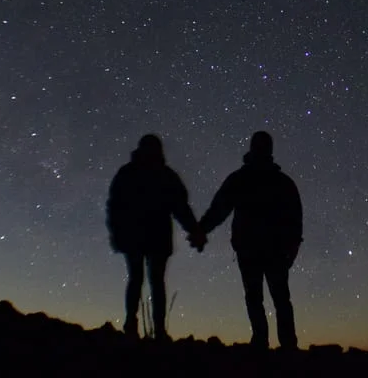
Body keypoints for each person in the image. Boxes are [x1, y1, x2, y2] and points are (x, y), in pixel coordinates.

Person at [190, 131, 303, 349]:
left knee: (256, 297)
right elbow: (295, 218)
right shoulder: (282, 182)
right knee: (278, 298)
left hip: (251, 248)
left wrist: (201, 229)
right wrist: (293, 245)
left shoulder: (241, 179)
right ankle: (287, 346)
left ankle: (262, 342)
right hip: (273, 250)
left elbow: (219, 209)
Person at [106, 133, 199, 340]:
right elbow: (181, 208)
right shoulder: (165, 175)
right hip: (154, 237)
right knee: (154, 281)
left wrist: (116, 232)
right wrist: (194, 231)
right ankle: (155, 329)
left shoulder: (129, 172)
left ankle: (135, 325)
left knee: (139, 279)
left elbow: (114, 206)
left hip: (137, 236)